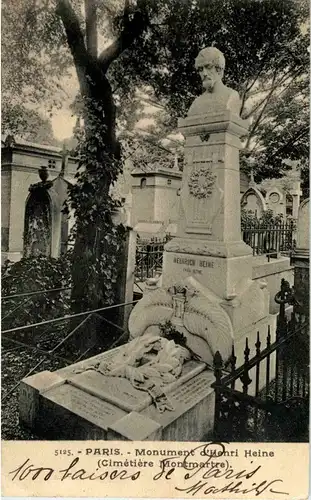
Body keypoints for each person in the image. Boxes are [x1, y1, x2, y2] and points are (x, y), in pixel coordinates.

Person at [188, 46, 241, 116]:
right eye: (200, 69)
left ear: (219, 68)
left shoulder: (231, 97)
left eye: (208, 67)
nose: (204, 73)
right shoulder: (196, 103)